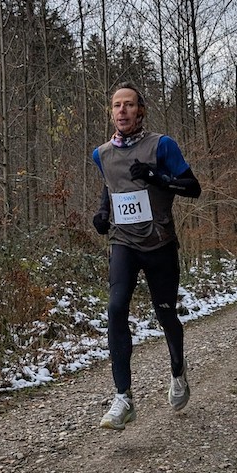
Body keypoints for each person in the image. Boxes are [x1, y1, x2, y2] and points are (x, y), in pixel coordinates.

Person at [92, 84, 201, 430]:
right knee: (115, 308)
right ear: (111, 112)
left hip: (160, 244)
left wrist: (158, 177)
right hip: (123, 243)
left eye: (129, 105)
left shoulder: (162, 145)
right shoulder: (102, 154)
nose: (122, 110)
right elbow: (110, 188)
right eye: (116, 105)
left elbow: (193, 187)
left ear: (140, 110)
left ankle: (178, 371)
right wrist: (102, 213)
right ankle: (123, 397)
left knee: (165, 313)